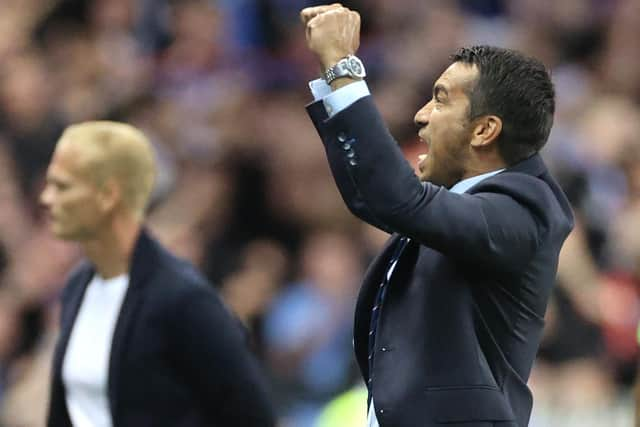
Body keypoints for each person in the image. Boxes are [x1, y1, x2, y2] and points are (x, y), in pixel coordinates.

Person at [300, 4, 574, 427]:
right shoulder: (458, 207)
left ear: (485, 129)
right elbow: (371, 197)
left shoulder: (527, 207)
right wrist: (331, 85)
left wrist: (342, 69)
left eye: (440, 100)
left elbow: (395, 197)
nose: (421, 115)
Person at [41, 121, 275, 427]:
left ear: (108, 195)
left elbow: (251, 414)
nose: (46, 199)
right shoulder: (78, 285)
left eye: (63, 187)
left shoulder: (183, 298)